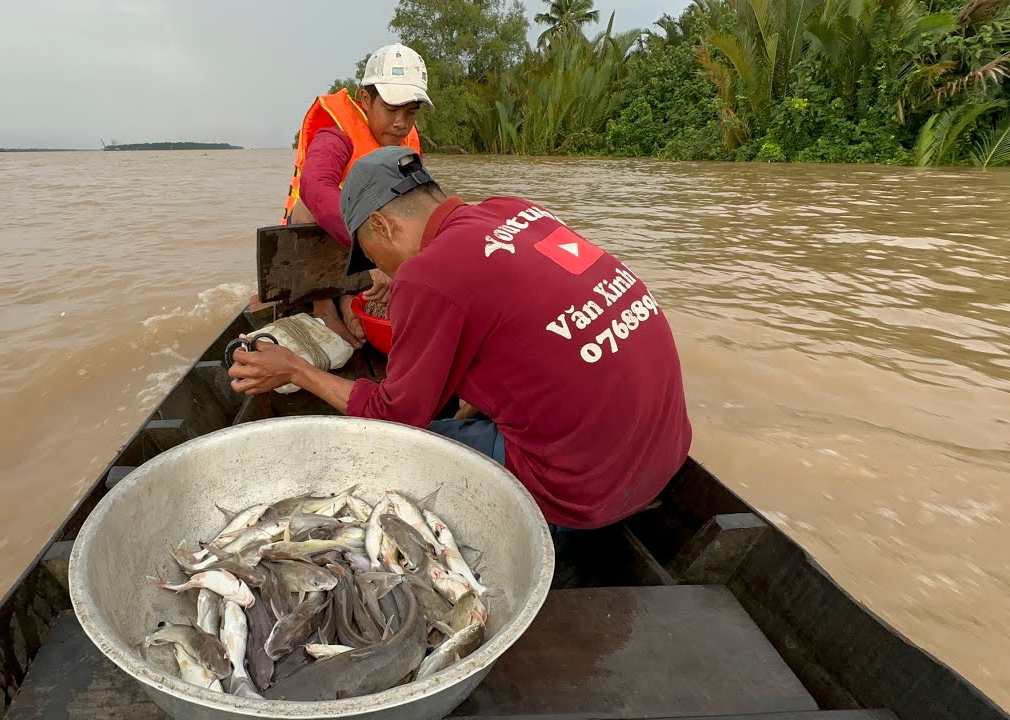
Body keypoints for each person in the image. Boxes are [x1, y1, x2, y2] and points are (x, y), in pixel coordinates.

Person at [230, 146, 692, 531]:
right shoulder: (513, 210)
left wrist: (297, 370)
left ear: (383, 226)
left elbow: (395, 416)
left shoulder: (427, 276)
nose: (384, 271)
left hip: (580, 492)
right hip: (665, 456)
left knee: (379, 454)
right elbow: (529, 327)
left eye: (372, 256)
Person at [281, 43, 432, 349]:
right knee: (308, 206)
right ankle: (323, 305)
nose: (401, 122)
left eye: (410, 112)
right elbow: (315, 187)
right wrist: (371, 255)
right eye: (391, 109)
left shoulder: (407, 143)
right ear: (366, 99)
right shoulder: (336, 134)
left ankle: (351, 299)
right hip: (318, 241)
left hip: (364, 247)